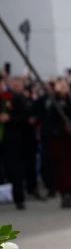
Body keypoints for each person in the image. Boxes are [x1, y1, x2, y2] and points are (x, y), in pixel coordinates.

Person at [42, 79, 71, 208]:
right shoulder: (52, 100)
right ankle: (63, 194)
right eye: (61, 86)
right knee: (59, 167)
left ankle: (70, 192)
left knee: (70, 166)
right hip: (57, 137)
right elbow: (48, 114)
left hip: (70, 137)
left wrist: (69, 97)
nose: (64, 88)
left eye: (66, 86)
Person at [0, 76, 31, 209]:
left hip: (11, 139)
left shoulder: (14, 97)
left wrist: (10, 118)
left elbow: (25, 117)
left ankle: (19, 199)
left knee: (14, 169)